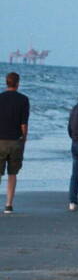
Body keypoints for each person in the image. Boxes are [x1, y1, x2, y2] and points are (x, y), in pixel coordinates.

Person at [0, 72, 29, 214]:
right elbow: (24, 123)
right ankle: (8, 205)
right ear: (18, 83)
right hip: (15, 140)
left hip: (0, 140)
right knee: (12, 173)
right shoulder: (23, 100)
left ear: (6, 82)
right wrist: (24, 138)